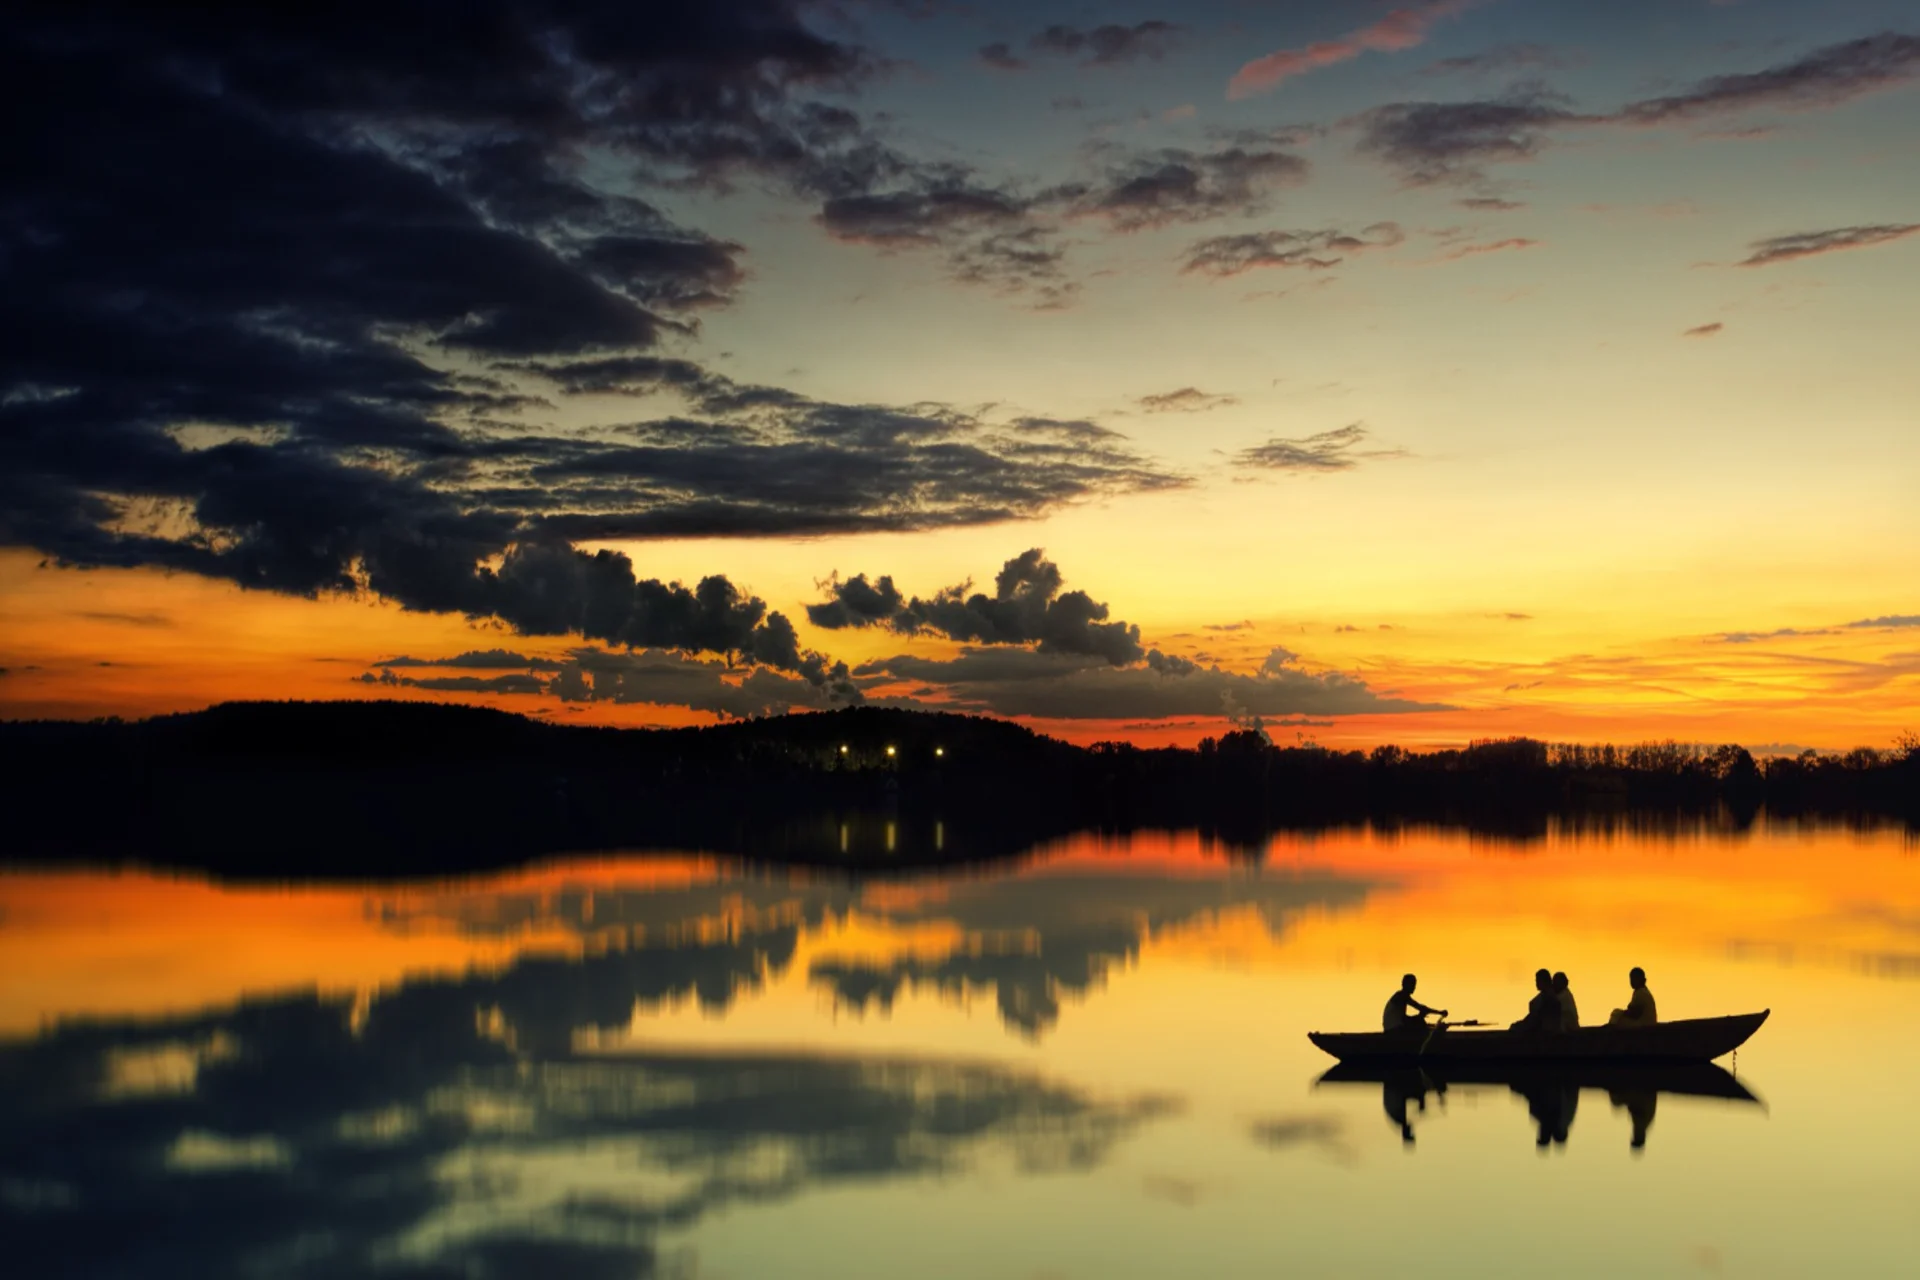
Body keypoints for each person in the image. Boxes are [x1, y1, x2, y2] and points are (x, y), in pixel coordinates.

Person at [1382, 973, 1447, 1032]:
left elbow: (1404, 1018)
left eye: (1414, 984)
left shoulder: (1401, 995)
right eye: (1412, 984)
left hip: (1393, 1027)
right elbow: (1420, 1007)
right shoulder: (1401, 996)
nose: (1414, 987)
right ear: (1404, 984)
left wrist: (1418, 1017)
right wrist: (1440, 1012)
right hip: (1394, 1029)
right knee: (1419, 1021)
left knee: (1418, 1020)